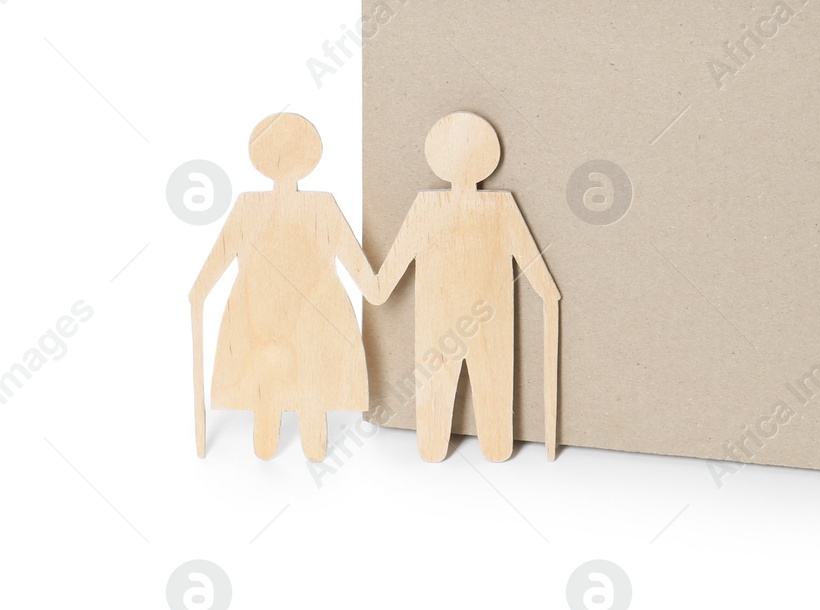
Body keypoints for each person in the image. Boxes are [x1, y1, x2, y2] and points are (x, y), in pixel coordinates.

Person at [372, 111, 560, 462]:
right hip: (479, 322)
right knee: (483, 405)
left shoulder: (437, 207)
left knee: (453, 404)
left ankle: (470, 448)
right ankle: (487, 449)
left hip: (461, 323)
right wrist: (549, 297)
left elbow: (384, 282)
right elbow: (539, 278)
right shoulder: (493, 207)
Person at [190, 113, 378, 460]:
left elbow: (212, 269)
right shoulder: (318, 206)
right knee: (308, 387)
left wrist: (198, 293)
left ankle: (272, 446)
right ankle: (307, 449)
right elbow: (365, 279)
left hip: (269, 317)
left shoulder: (252, 206)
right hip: (305, 317)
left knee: (276, 389)